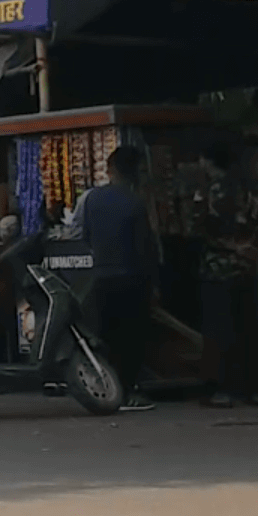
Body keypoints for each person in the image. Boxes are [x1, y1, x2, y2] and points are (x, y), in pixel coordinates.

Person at [69, 147, 159, 411]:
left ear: (110, 170)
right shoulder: (135, 202)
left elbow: (81, 236)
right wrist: (154, 283)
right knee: (131, 339)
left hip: (101, 278)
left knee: (106, 336)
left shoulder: (91, 199)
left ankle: (111, 390)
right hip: (132, 278)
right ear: (133, 172)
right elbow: (145, 247)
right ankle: (128, 392)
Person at [193, 142, 258, 407]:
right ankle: (256, 390)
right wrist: (248, 247)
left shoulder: (209, 190)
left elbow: (199, 226)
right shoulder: (249, 189)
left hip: (218, 269)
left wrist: (227, 246)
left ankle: (223, 390)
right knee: (250, 328)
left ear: (207, 160)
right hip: (247, 268)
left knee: (220, 331)